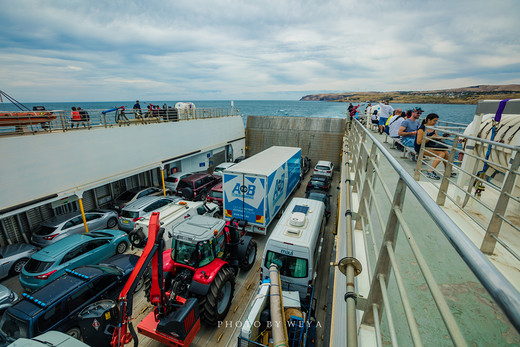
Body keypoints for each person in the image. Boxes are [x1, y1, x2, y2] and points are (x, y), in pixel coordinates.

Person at [415, 113, 455, 180]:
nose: (435, 122)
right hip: (421, 148)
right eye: (434, 120)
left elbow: (436, 138)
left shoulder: (433, 128)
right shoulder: (422, 129)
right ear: (429, 120)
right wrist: (430, 138)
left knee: (446, 153)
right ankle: (430, 171)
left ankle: (447, 171)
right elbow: (419, 142)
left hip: (431, 147)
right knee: (441, 154)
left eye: (436, 121)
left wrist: (443, 136)